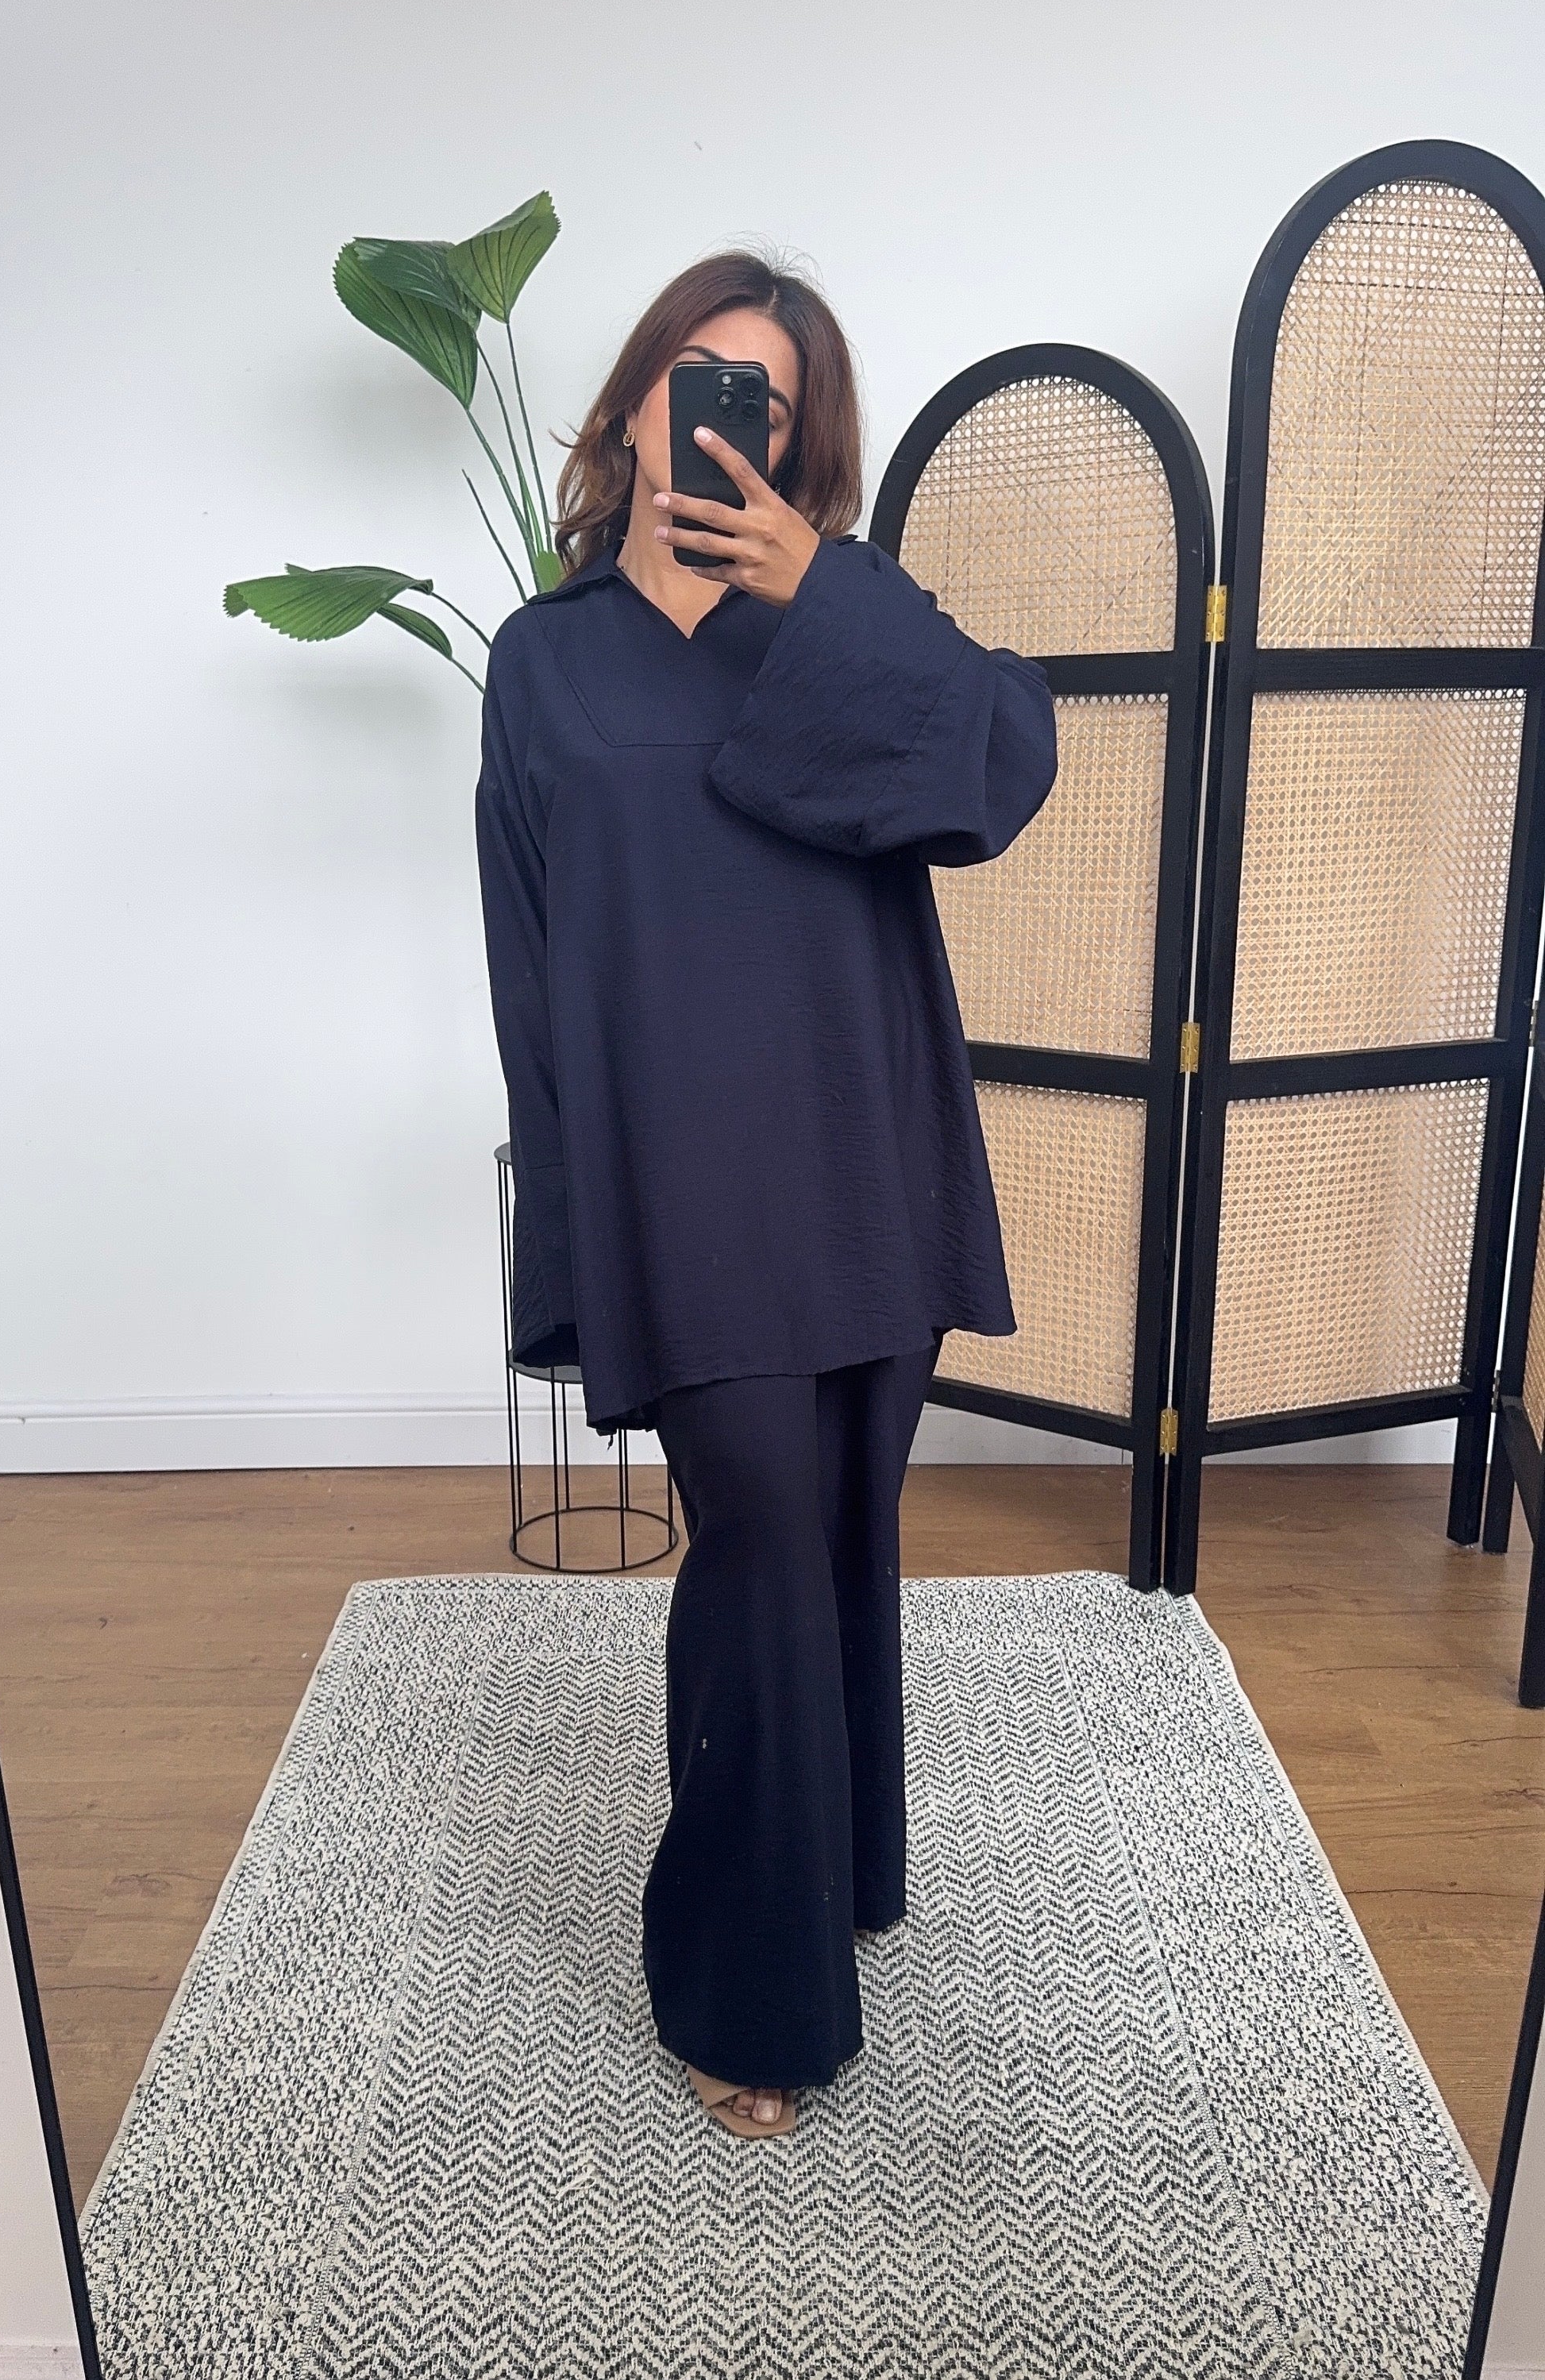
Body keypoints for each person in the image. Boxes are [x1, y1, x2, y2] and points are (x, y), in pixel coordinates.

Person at [476, 250, 1058, 2140]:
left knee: (842, 1529)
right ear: (635, 396)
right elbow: (531, 966)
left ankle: (843, 1874)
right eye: (697, 376)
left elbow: (1003, 764)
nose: (722, 418)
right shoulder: (546, 660)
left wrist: (825, 591)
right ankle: (752, 1988)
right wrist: (573, 1249)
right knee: (761, 1547)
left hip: (862, 1148)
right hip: (685, 1180)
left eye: (769, 402)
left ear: (799, 449)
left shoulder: (844, 615)